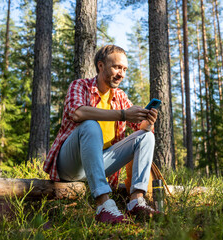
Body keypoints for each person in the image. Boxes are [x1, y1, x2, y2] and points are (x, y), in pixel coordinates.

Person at [43, 45, 159, 224]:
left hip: (101, 164)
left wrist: (148, 121)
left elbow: (139, 129)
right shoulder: (80, 86)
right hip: (71, 165)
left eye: (125, 69)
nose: (121, 74)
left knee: (146, 136)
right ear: (101, 66)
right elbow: (77, 113)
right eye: (117, 67)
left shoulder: (120, 96)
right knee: (90, 125)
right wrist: (122, 114)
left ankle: (136, 202)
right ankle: (103, 205)